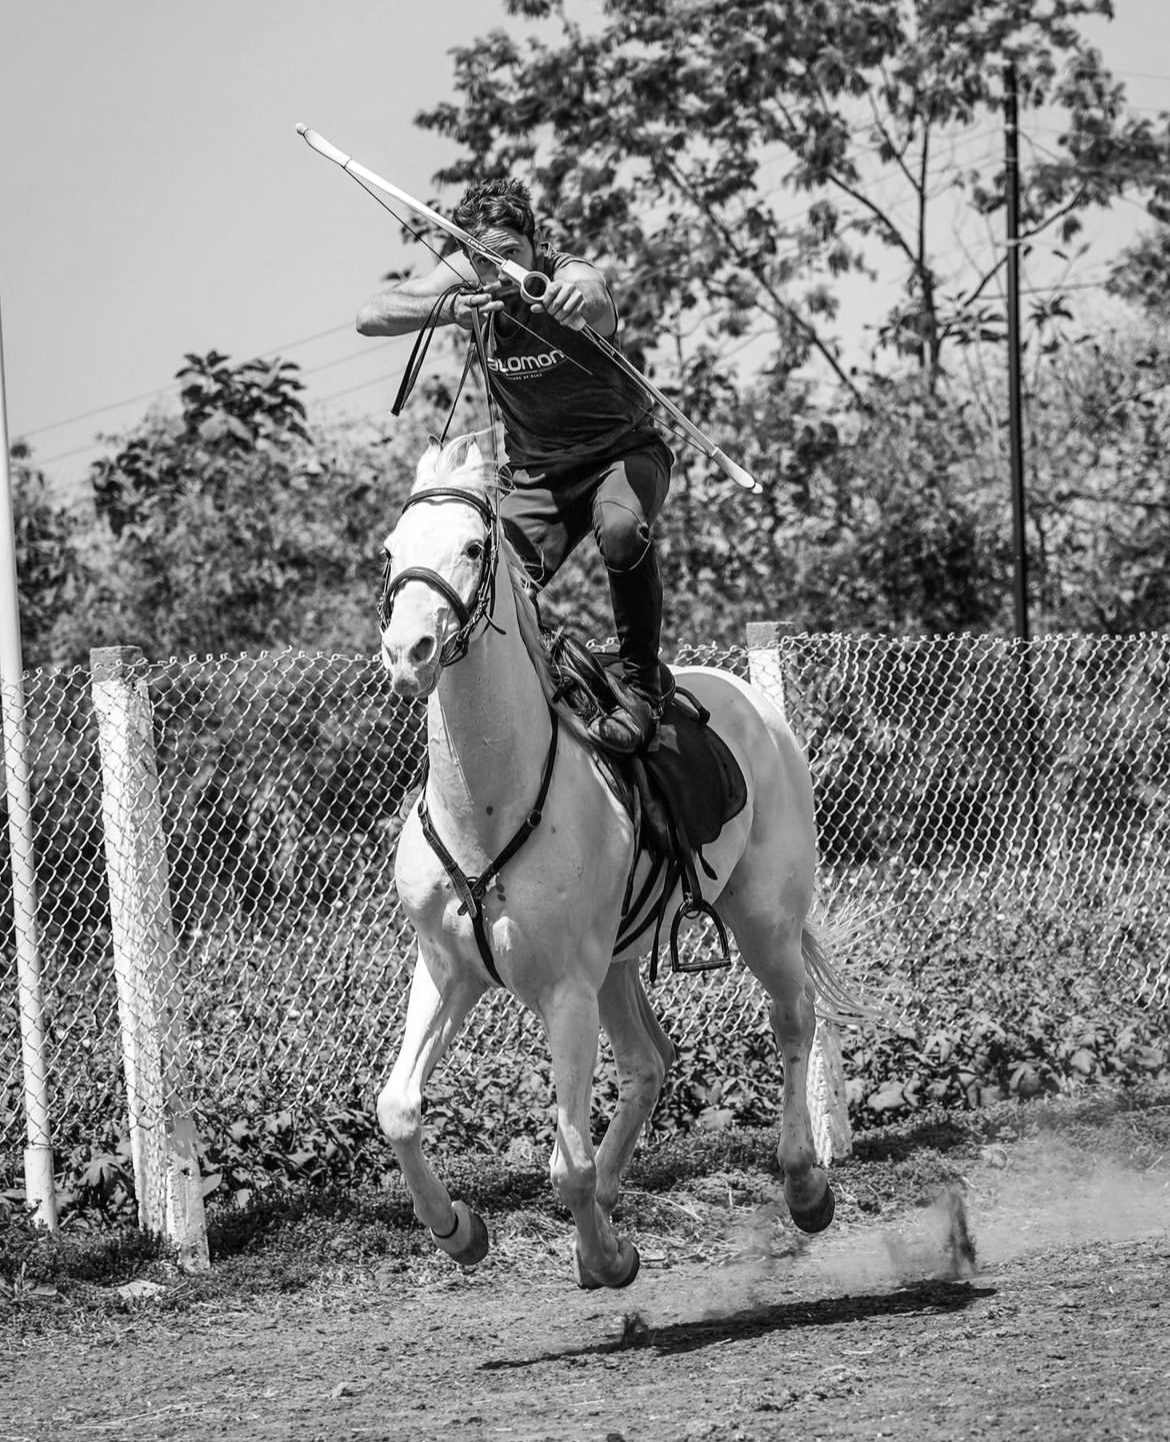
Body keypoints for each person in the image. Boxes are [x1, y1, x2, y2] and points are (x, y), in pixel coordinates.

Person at [355, 178, 674, 753]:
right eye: (484, 259)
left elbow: (597, 298)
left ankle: (643, 690)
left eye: (512, 255)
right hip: (538, 478)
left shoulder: (565, 272)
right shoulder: (468, 275)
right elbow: (370, 315)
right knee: (493, 582)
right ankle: (534, 695)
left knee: (623, 532)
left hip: (620, 457)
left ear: (536, 246)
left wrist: (575, 301)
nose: (499, 270)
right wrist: (446, 307)